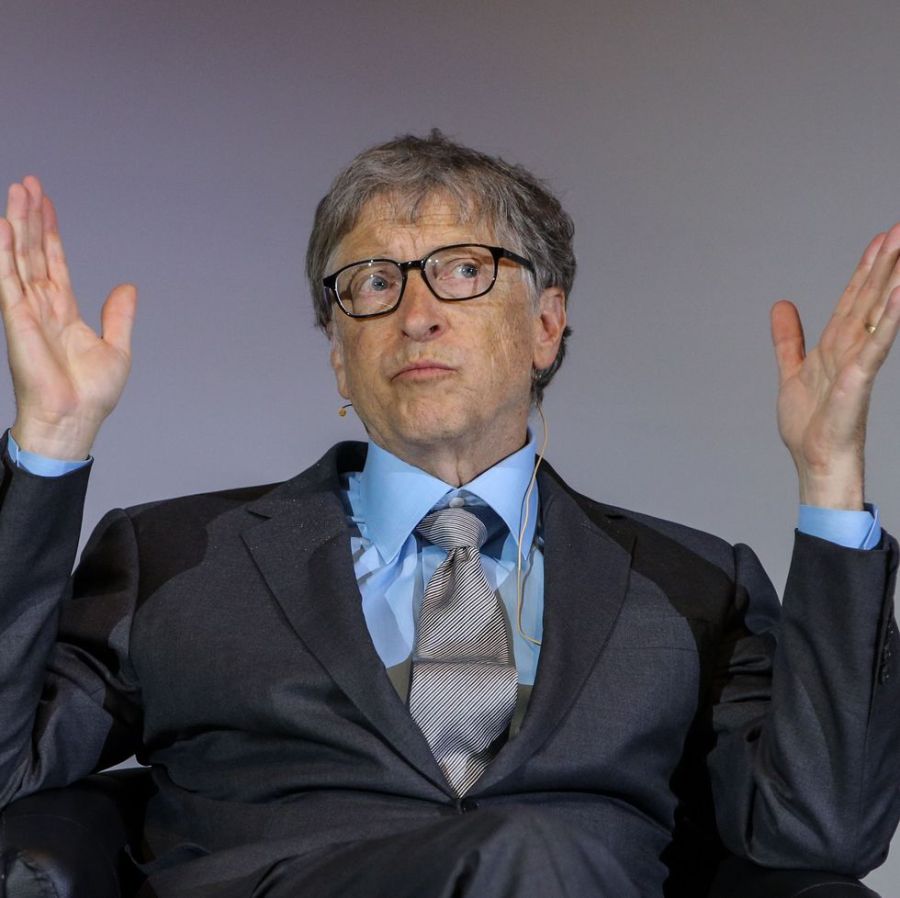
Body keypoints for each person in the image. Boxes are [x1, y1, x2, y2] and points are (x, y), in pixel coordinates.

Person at [0, 132, 899, 898]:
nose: (417, 315)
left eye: (464, 270)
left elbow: (825, 831)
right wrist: (50, 441)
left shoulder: (693, 587)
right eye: (373, 283)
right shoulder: (175, 557)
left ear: (546, 324)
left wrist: (830, 478)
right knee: (527, 853)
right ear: (340, 355)